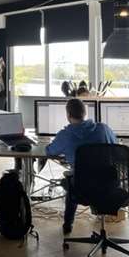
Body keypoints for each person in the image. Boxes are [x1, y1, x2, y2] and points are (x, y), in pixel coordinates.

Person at [46, 98, 117, 234]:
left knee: (71, 179)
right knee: (78, 178)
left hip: (82, 190)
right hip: (108, 186)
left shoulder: (66, 135)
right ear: (85, 113)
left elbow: (49, 151)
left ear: (68, 115)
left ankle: (68, 224)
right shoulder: (104, 129)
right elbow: (116, 148)